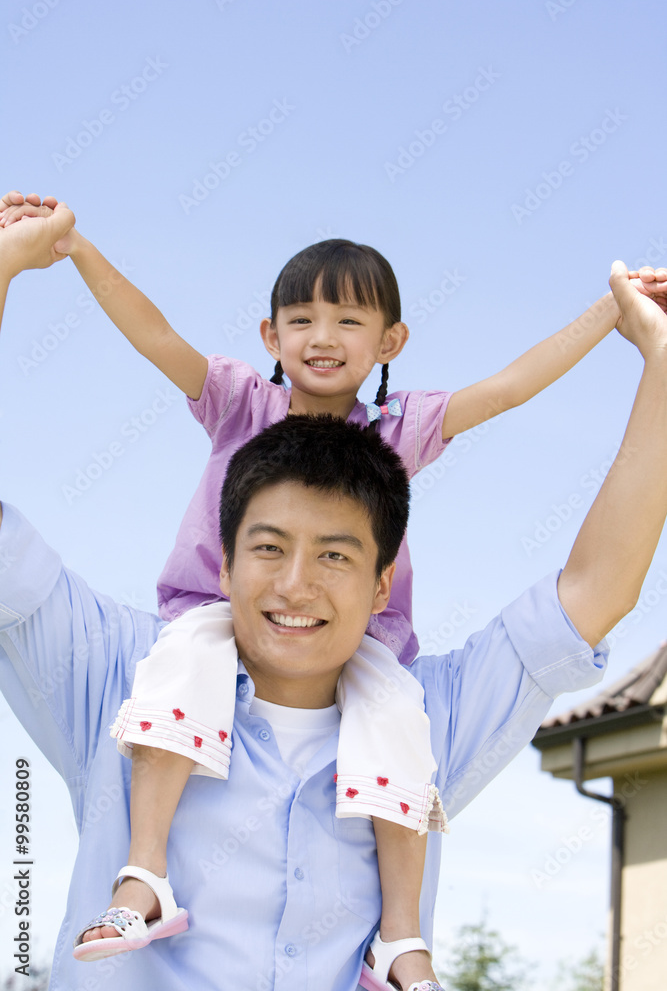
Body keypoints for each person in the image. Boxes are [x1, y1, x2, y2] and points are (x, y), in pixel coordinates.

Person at [2, 201, 667, 991]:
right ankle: (142, 875)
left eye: (335, 554)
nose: (294, 584)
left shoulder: (421, 715)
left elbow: (517, 409)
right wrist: (49, 255)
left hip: (379, 671)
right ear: (223, 559)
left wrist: (626, 324)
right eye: (268, 547)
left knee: (392, 721)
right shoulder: (122, 679)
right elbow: (154, 335)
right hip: (191, 636)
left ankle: (398, 938)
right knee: (185, 667)